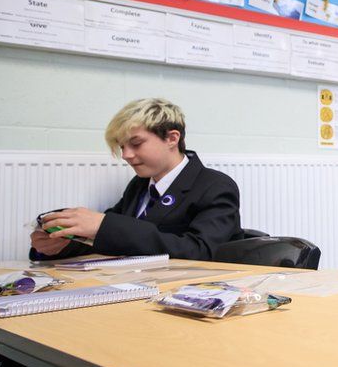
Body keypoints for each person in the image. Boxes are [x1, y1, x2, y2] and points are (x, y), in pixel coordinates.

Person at [29, 98, 242, 261]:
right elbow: (111, 239)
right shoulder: (139, 185)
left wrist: (105, 226)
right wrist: (62, 242)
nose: (126, 155)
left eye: (136, 143)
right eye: (122, 146)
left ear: (171, 138)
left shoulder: (215, 186)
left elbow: (201, 251)